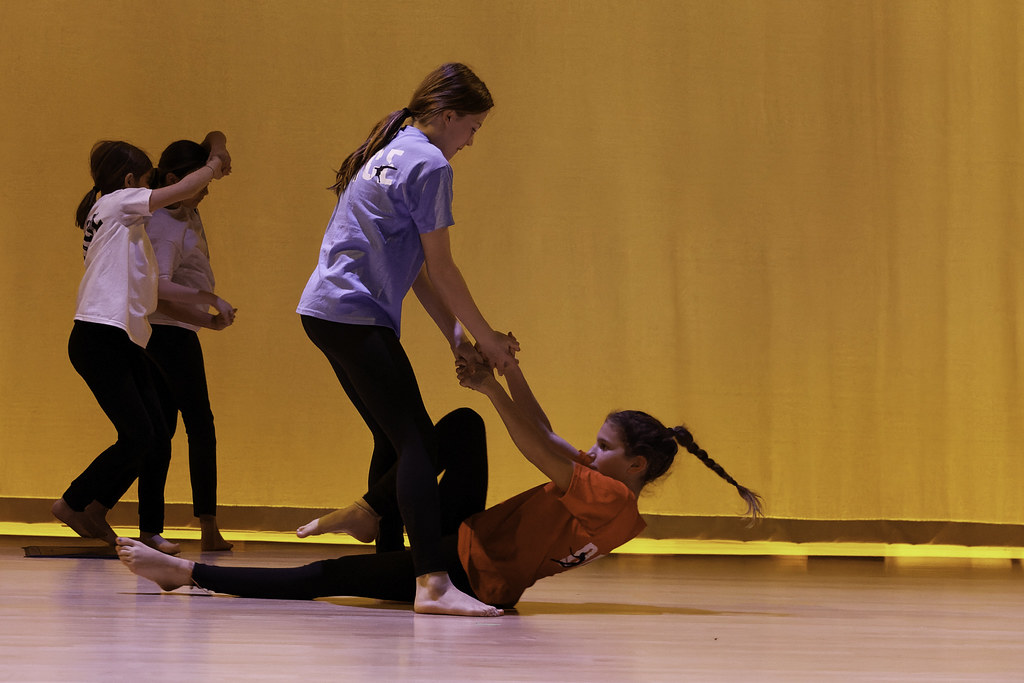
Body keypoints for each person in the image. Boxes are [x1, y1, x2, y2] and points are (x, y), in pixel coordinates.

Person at [116, 355, 763, 617]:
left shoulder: (613, 502)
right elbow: (542, 427)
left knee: (325, 574)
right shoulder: (607, 483)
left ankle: (189, 574)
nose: (590, 449)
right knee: (462, 426)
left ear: (636, 466)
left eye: (603, 444)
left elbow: (537, 445)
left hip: (468, 576)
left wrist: (489, 380)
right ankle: (372, 510)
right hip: (463, 537)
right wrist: (507, 366)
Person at [294, 63, 518, 613]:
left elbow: (415, 266)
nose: (471, 142)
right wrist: (487, 337)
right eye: (473, 129)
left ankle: (377, 536)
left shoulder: (392, 148)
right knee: (417, 442)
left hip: (325, 310)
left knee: (395, 437)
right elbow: (441, 266)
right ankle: (430, 584)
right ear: (448, 117)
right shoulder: (431, 163)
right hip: (353, 313)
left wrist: (456, 334)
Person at [52, 134, 234, 555]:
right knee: (139, 433)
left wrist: (206, 309)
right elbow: (185, 188)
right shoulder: (118, 203)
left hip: (117, 337)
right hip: (100, 335)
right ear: (131, 180)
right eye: (147, 183)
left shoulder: (122, 228)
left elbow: (153, 290)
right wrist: (216, 162)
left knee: (153, 432)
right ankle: (74, 503)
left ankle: (93, 507)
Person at [142, 138, 237, 551]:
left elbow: (216, 133)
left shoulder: (185, 211)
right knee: (198, 425)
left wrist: (217, 153)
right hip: (168, 334)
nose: (205, 191)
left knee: (161, 430)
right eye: (199, 184)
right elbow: (158, 295)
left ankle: (151, 525)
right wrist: (207, 313)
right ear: (173, 181)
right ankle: (207, 526)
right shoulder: (163, 226)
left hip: (173, 333)